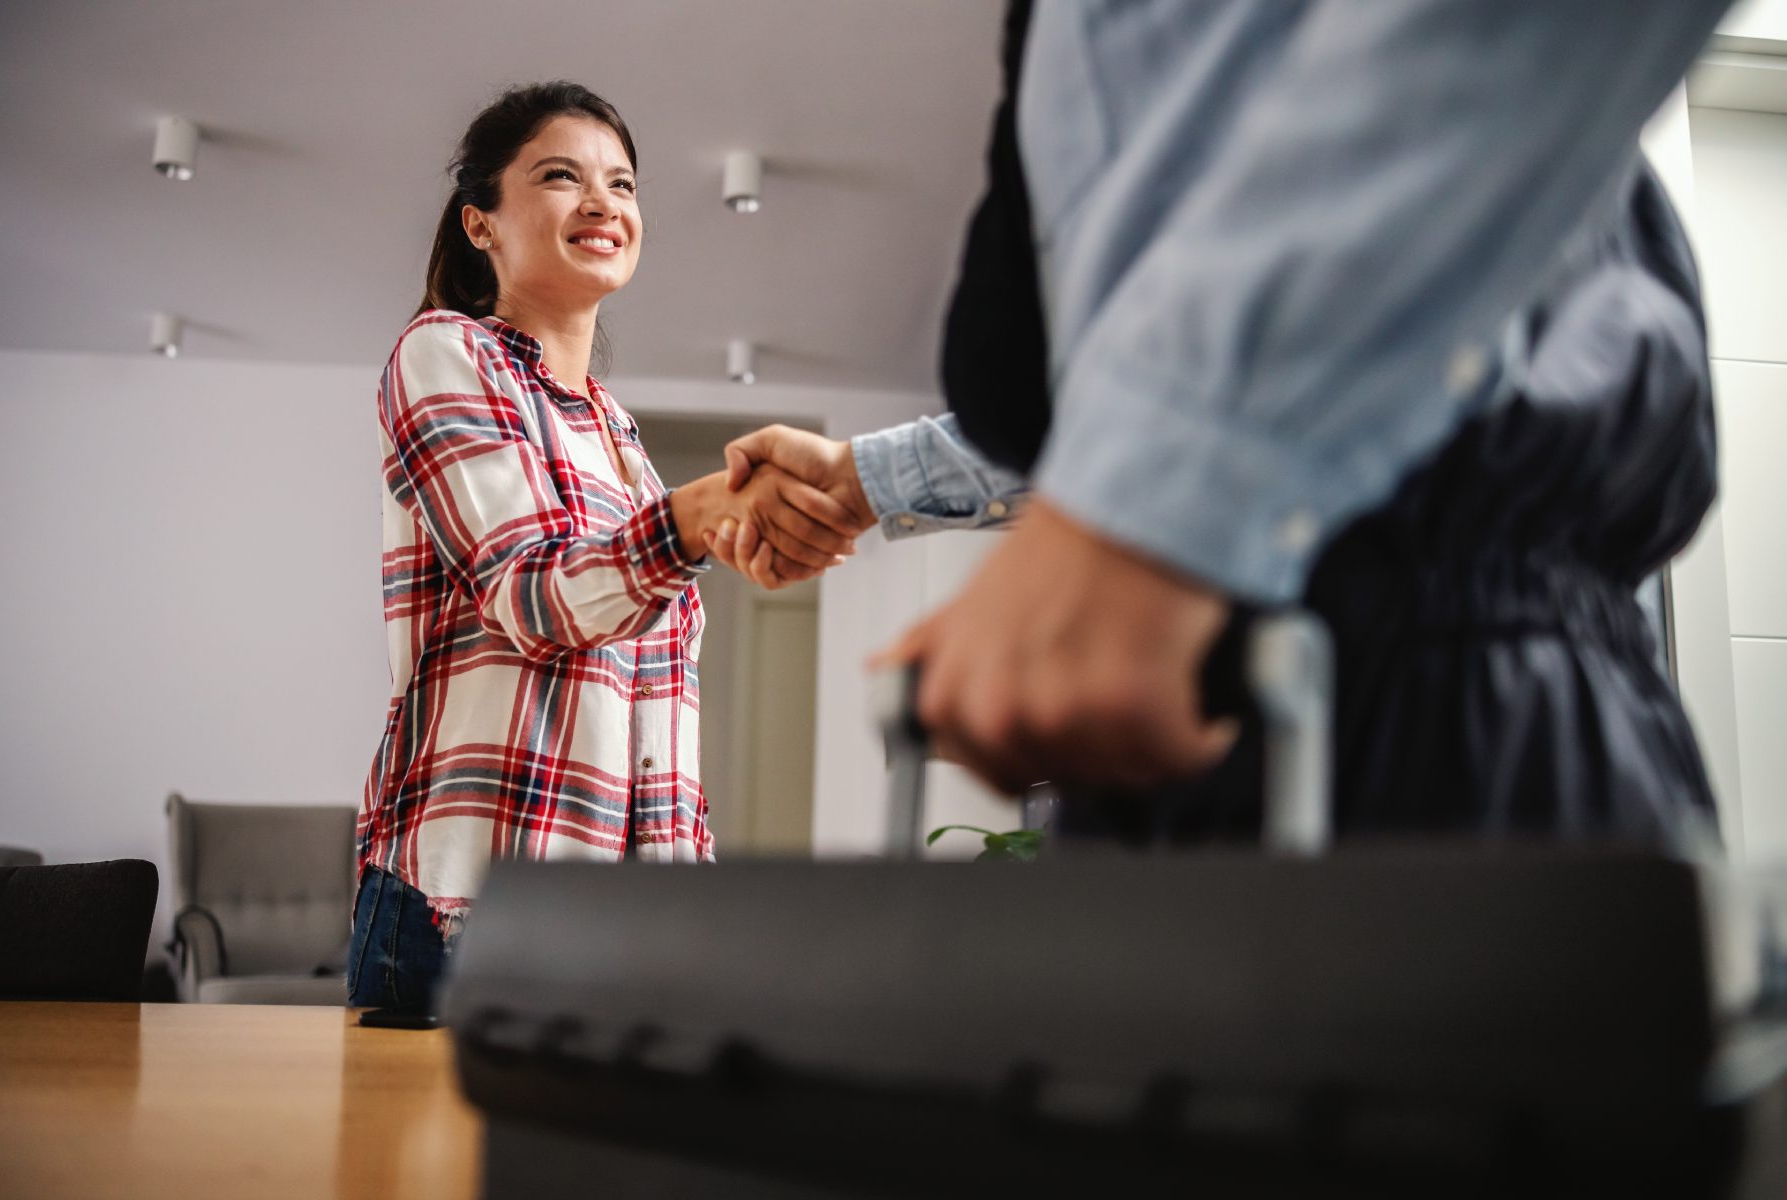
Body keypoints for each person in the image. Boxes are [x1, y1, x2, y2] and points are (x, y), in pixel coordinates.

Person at [711, 1, 1734, 847]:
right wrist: (870, 479)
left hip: (1441, 709)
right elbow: (1171, 362)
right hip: (1176, 733)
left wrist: (1154, 503)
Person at [349, 82, 867, 1012]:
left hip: (624, 928)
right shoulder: (443, 353)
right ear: (481, 224)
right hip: (468, 910)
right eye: (561, 176)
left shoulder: (621, 439)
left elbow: (657, 706)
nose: (604, 204)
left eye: (622, 185)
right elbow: (534, 599)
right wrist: (691, 519)